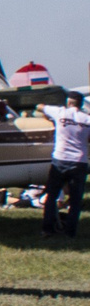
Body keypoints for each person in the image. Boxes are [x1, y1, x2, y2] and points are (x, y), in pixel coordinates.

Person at [43, 91, 90, 239]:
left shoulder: (60, 112)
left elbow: (41, 107)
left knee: (51, 196)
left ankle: (47, 230)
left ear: (68, 102)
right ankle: (70, 232)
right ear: (81, 104)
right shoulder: (87, 119)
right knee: (75, 200)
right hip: (79, 162)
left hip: (60, 159)